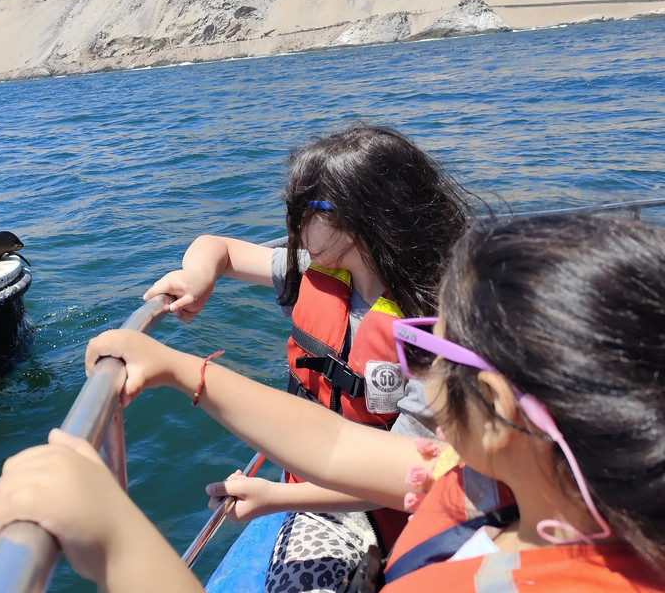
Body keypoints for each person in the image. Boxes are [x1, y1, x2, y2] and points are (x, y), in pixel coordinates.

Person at [0, 215, 665, 592]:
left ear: (496, 412)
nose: (412, 356)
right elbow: (340, 445)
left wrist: (114, 540)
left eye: (433, 345)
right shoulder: (512, 482)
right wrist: (179, 369)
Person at [142, 123, 471, 590]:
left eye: (305, 209)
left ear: (364, 216)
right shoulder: (316, 271)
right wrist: (198, 276)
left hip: (394, 500)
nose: (292, 225)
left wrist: (277, 498)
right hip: (321, 486)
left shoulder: (434, 326)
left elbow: (409, 476)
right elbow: (219, 248)